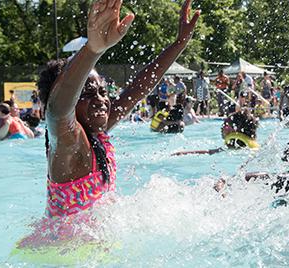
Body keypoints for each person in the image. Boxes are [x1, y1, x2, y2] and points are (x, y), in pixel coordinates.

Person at [31, 0, 199, 222]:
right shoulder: (68, 143)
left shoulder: (95, 131)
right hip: (60, 250)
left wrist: (179, 44)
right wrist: (92, 50)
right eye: (88, 93)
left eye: (103, 91)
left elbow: (138, 89)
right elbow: (58, 110)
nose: (101, 99)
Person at [172, 109, 259, 156]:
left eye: (225, 125)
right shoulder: (250, 147)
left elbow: (210, 152)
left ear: (235, 130)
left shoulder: (230, 147)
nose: (222, 127)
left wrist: (181, 153)